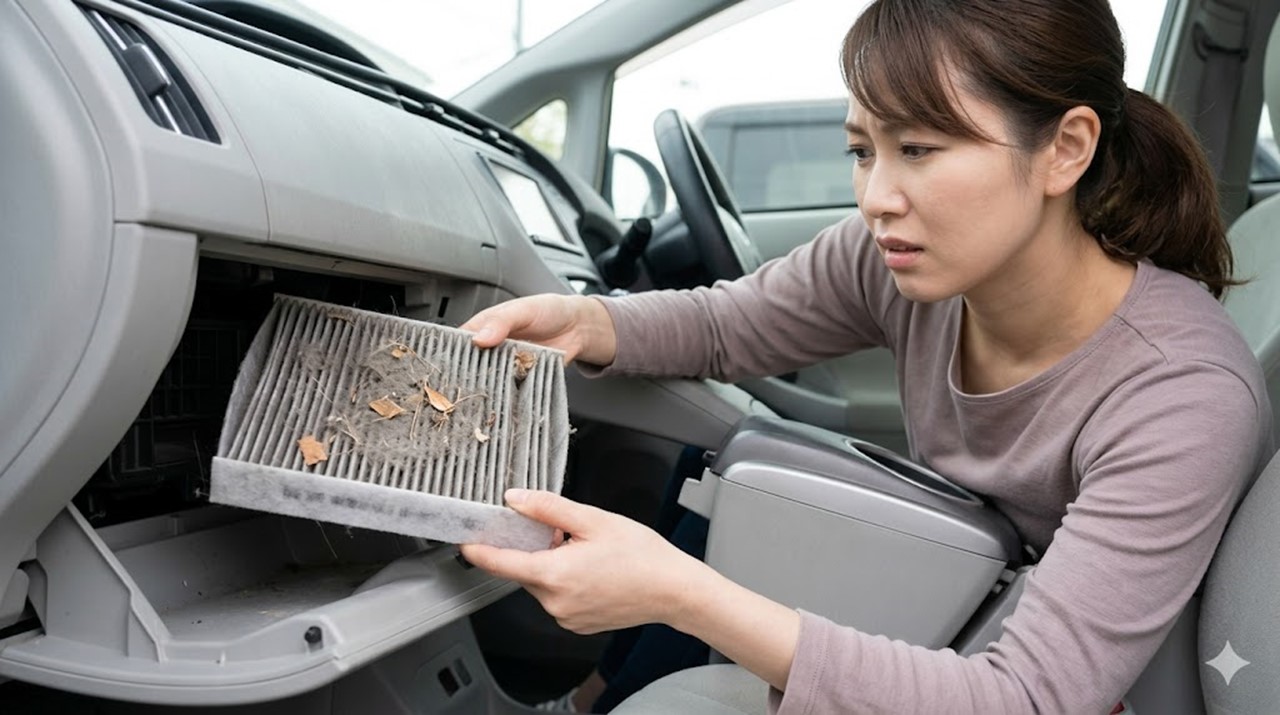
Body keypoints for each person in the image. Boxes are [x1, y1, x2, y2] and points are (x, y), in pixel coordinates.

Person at [459, 0, 1275, 711]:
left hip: (1080, 688)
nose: (878, 196)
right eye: (863, 150)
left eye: (918, 149)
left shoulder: (1180, 392)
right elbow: (727, 325)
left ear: (1066, 148)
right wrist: (583, 320)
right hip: (953, 598)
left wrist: (680, 594)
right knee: (734, 470)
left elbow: (1026, 697)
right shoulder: (900, 260)